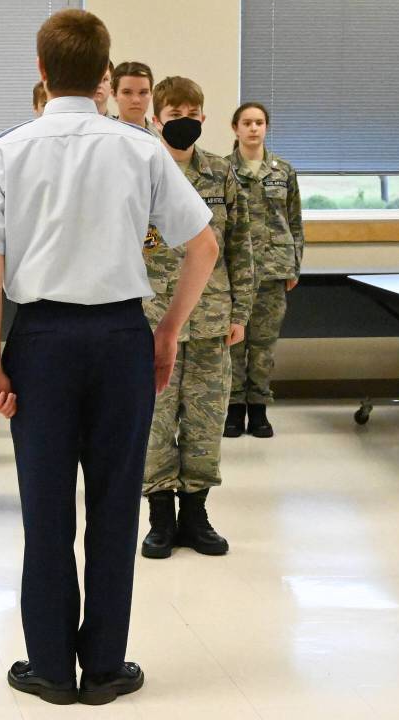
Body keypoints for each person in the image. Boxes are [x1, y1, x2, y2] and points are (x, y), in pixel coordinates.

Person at [0, 9, 218, 706]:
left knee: (45, 509)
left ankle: (49, 666)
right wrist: (165, 335)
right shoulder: (139, 150)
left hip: (40, 341)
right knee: (112, 507)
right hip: (119, 339)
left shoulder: (6, 152)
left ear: (41, 72)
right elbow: (204, 247)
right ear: (105, 77)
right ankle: (104, 666)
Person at [139, 76, 254, 560]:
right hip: (149, 318)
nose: (185, 119)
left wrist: (242, 310)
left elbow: (239, 245)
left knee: (206, 422)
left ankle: (197, 513)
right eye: (175, 111)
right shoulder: (140, 168)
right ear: (156, 117)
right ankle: (160, 517)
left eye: (193, 111)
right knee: (155, 422)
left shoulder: (222, 174)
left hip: (210, 320)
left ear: (204, 117)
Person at [224, 102, 303, 438]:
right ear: (235, 128)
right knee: (233, 345)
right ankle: (233, 410)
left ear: (266, 128)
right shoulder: (223, 169)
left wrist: (294, 265)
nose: (253, 128)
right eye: (247, 123)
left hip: (273, 270)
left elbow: (296, 222)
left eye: (259, 123)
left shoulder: (282, 171)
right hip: (232, 272)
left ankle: (258, 410)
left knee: (263, 346)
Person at [112, 61, 159, 135]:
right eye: (127, 92)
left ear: (151, 94)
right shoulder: (102, 135)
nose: (136, 100)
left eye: (143, 92)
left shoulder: (162, 141)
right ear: (114, 94)